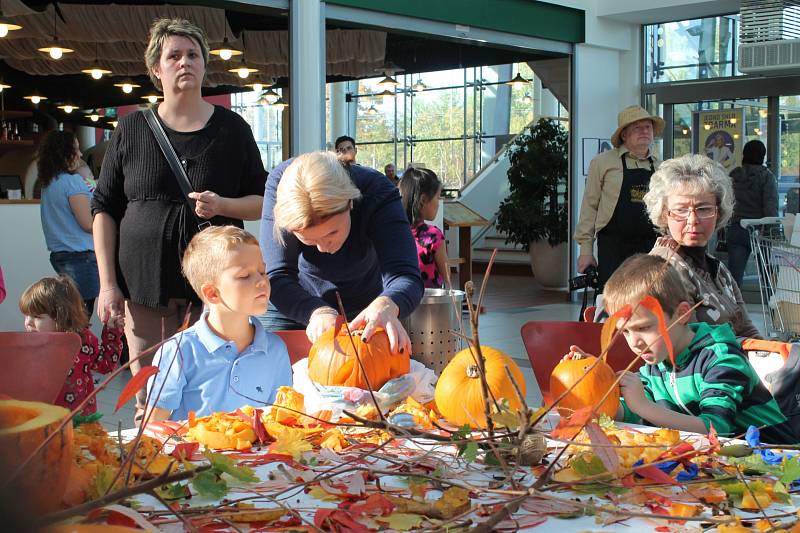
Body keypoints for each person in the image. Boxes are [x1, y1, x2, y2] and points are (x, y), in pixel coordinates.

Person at [92, 18, 266, 423]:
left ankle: (221, 478)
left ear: (205, 65)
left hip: (215, 293)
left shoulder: (232, 129)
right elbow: (104, 207)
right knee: (151, 399)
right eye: (174, 56)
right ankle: (153, 479)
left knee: (216, 397)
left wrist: (223, 204)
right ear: (157, 69)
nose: (184, 62)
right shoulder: (133, 128)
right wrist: (106, 285)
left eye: (193, 55)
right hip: (144, 291)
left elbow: (262, 202)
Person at [566, 254, 796, 443]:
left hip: (778, 459)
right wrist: (596, 380)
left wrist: (644, 406)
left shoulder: (721, 358)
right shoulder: (656, 364)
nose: (634, 342)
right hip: (722, 463)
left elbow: (716, 428)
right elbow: (634, 413)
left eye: (644, 327)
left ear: (683, 313)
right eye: (625, 331)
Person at [261, 151, 423, 354]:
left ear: (351, 203)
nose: (323, 248)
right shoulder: (280, 186)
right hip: (293, 298)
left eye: (332, 232)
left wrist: (388, 303)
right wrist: (315, 311)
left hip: (365, 306)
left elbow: (405, 274)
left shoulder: (377, 191)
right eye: (308, 240)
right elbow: (277, 275)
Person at [146, 226, 292, 422]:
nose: (261, 281)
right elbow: (152, 427)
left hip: (256, 452)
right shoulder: (178, 352)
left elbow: (282, 419)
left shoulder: (276, 349)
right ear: (212, 293)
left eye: (262, 272)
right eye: (244, 276)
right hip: (191, 452)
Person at [643, 153, 760, 338]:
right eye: (681, 210)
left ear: (718, 213)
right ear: (665, 214)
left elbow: (746, 328)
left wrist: (776, 352)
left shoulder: (719, 270)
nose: (693, 220)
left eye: (703, 209)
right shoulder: (664, 269)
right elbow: (693, 344)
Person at [574, 105, 664, 288]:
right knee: (611, 302)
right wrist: (585, 251)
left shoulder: (661, 166)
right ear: (624, 135)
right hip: (613, 246)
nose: (644, 131)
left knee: (650, 300)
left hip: (651, 246)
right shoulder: (603, 162)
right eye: (637, 128)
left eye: (648, 127)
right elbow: (590, 206)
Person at [19, 275, 124, 416]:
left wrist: (112, 333)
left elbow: (105, 364)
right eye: (26, 315)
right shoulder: (28, 345)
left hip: (79, 417)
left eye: (37, 317)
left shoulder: (81, 341)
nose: (28, 322)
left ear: (61, 316)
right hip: (40, 417)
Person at [37, 130, 99, 315]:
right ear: (64, 153)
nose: (80, 155)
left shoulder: (49, 184)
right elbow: (88, 224)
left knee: (71, 315)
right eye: (76, 149)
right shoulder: (73, 183)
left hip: (61, 256)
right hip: (81, 258)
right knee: (81, 317)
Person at [726, 140, 778, 287]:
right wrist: (773, 234)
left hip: (737, 229)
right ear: (762, 156)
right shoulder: (767, 177)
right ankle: (774, 309)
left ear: (744, 155)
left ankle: (734, 309)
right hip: (760, 231)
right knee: (769, 277)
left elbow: (727, 203)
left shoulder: (734, 175)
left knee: (734, 280)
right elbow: (770, 208)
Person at [399, 166, 450, 289]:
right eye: (437, 197)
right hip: (428, 304)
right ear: (423, 200)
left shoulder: (392, 232)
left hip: (397, 302)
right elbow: (447, 276)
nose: (438, 203)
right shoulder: (433, 236)